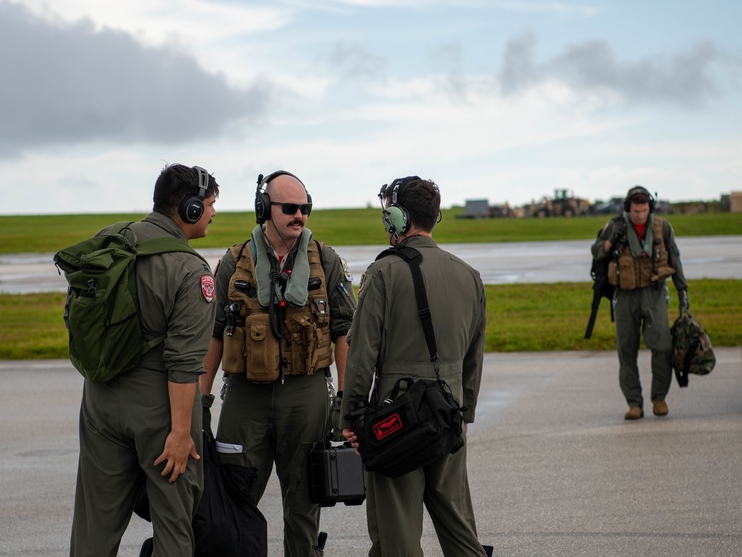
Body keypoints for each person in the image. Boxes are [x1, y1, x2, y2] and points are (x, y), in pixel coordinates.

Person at [199, 170, 356, 557]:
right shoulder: (233, 262)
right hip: (244, 399)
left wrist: (347, 401)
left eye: (305, 208)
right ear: (264, 209)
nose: (299, 215)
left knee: (305, 506)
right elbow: (214, 334)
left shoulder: (326, 260)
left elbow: (346, 331)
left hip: (306, 398)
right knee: (234, 502)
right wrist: (200, 403)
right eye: (289, 208)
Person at [70, 163, 220, 557]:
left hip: (100, 399)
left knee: (93, 528)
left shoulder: (111, 240)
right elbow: (184, 364)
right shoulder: (192, 270)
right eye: (209, 204)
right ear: (189, 209)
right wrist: (182, 433)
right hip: (160, 409)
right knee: (174, 525)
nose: (213, 212)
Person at [341, 175, 489, 557]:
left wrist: (351, 416)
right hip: (450, 412)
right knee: (460, 530)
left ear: (396, 218)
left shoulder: (383, 273)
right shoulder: (469, 276)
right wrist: (465, 413)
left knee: (397, 538)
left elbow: (361, 356)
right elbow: (474, 357)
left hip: (395, 419)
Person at [592, 185, 688, 420]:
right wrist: (609, 241)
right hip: (625, 296)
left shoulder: (662, 227)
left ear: (650, 208)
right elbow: (597, 252)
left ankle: (659, 398)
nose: (640, 215)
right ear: (628, 209)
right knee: (626, 350)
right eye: (636, 211)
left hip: (654, 294)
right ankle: (634, 403)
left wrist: (682, 293)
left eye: (644, 211)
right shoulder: (615, 225)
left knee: (663, 347)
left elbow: (675, 258)